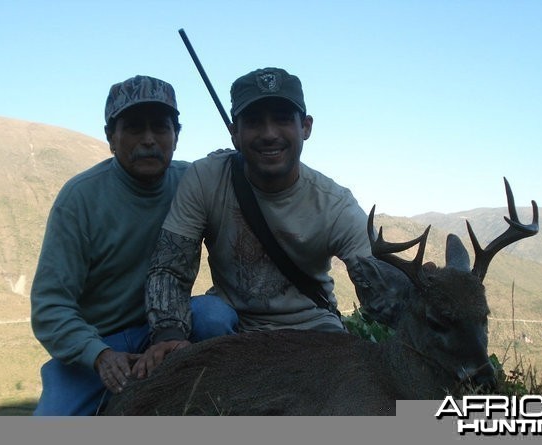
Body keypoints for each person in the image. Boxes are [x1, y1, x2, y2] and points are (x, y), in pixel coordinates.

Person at [135, 67, 374, 377]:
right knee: (207, 316)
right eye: (254, 122)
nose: (269, 133)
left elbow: (377, 282)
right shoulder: (205, 178)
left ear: (306, 127)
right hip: (234, 326)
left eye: (282, 119)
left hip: (312, 328)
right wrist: (168, 336)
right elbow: (170, 267)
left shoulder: (335, 204)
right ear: (234, 132)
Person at [30, 75, 236, 416]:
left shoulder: (193, 184)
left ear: (176, 135)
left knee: (213, 315)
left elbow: (239, 173)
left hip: (170, 325)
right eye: (134, 128)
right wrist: (97, 354)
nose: (149, 140)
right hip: (99, 341)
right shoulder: (79, 198)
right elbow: (50, 306)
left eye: (160, 127)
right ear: (111, 137)